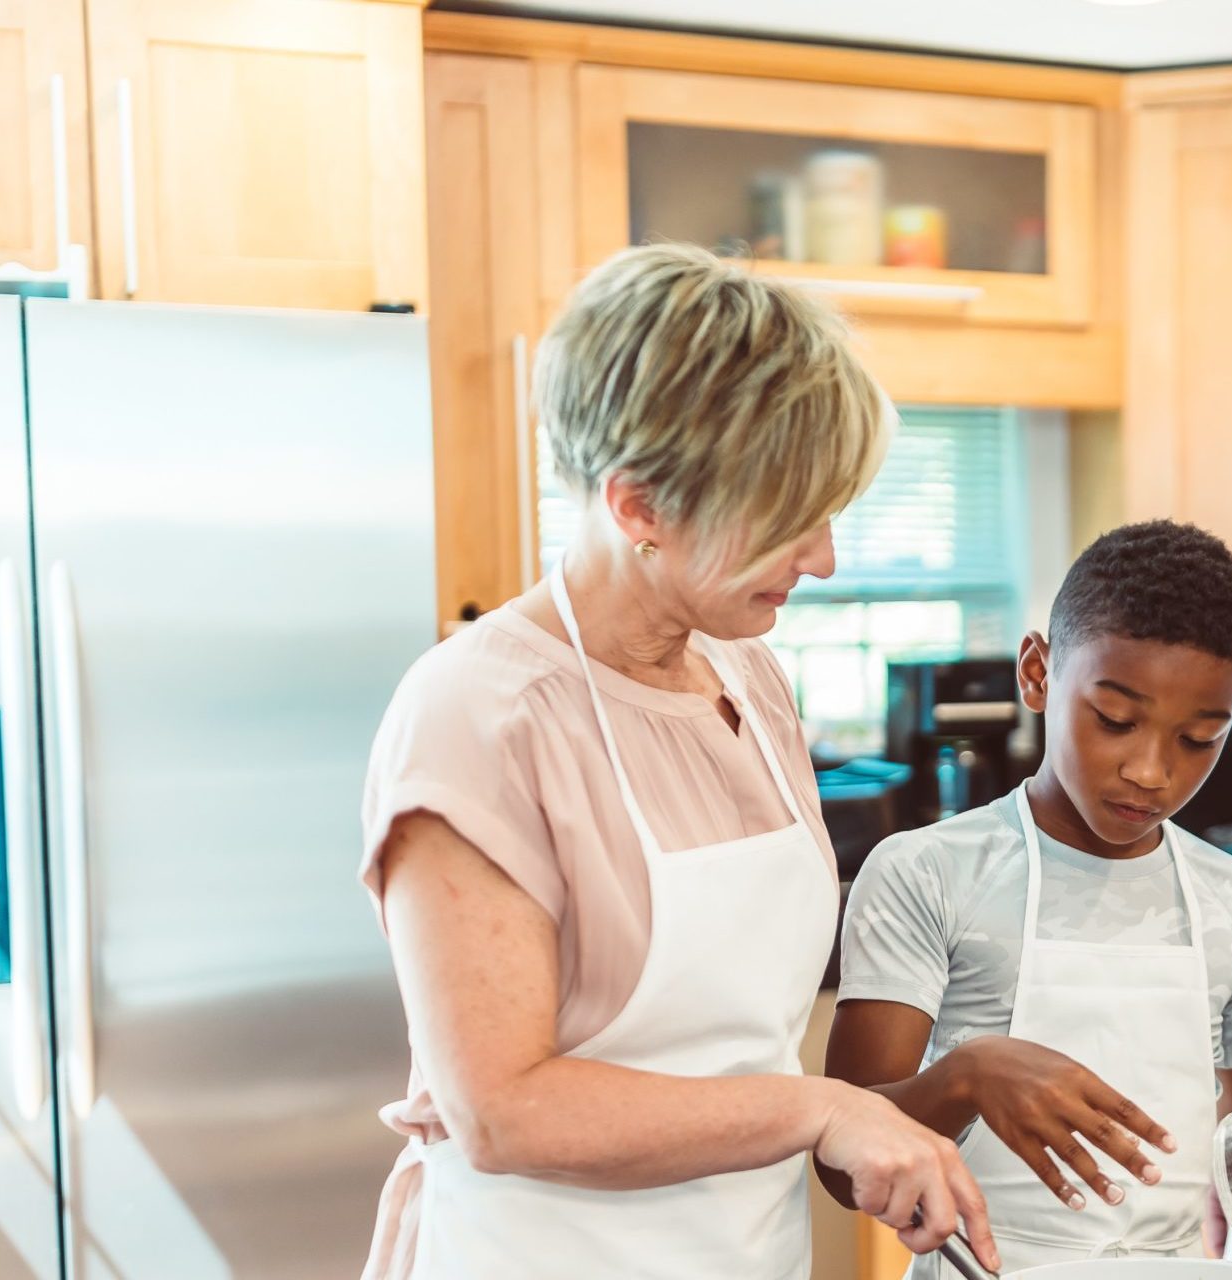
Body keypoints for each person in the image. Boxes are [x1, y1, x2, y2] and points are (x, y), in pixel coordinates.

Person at [357, 244, 997, 1279]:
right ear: (639, 506)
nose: (825, 556)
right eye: (790, 515)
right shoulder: (479, 714)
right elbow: (503, 1108)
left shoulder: (748, 672)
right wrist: (820, 1108)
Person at [826, 521, 1232, 1279]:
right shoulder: (927, 873)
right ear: (1038, 674)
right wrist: (967, 1076)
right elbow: (841, 1167)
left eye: (1199, 737)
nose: (1151, 771)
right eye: (1115, 720)